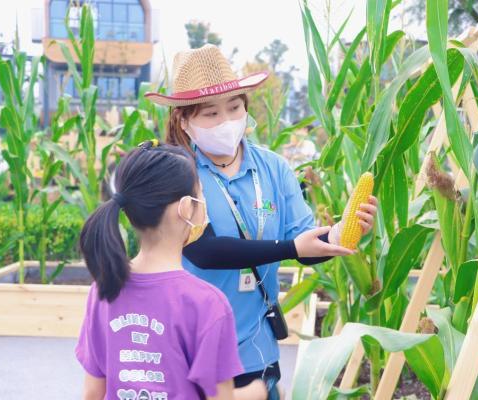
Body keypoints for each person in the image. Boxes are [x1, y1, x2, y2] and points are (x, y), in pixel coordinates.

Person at [145, 44, 378, 398]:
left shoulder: (273, 168)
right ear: (183, 119)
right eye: (210, 114)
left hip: (256, 349)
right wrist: (289, 247)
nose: (226, 120)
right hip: (190, 351)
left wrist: (341, 231)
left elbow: (305, 244)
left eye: (234, 107)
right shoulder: (176, 172)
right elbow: (203, 250)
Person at [76, 141, 268, 400]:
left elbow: (92, 393)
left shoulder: (103, 289)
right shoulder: (207, 303)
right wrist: (258, 392)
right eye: (201, 194)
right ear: (186, 207)